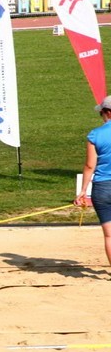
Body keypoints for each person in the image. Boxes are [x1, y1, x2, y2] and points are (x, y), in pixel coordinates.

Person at [75, 95, 111, 266]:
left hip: (102, 188)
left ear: (107, 113)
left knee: (109, 235)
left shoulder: (96, 134)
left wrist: (83, 191)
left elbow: (90, 165)